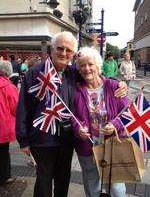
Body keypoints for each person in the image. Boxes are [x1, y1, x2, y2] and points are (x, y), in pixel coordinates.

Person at [16, 31, 127, 197]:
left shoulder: (73, 73)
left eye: (69, 50)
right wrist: (23, 140)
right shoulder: (35, 73)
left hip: (66, 140)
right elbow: (23, 107)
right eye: (60, 48)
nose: (64, 53)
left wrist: (119, 83)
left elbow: (92, 73)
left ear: (73, 54)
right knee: (44, 181)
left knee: (63, 180)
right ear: (51, 50)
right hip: (42, 138)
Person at [72, 47, 128, 197]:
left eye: (90, 64)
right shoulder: (76, 91)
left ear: (98, 65)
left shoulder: (114, 86)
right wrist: (78, 128)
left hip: (112, 145)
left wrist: (115, 125)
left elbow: (127, 113)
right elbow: (71, 116)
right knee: (92, 186)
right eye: (82, 65)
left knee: (116, 187)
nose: (86, 68)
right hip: (87, 147)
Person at [0, 60, 19, 185]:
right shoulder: (9, 87)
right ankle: (4, 177)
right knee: (3, 154)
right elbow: (16, 109)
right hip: (3, 127)